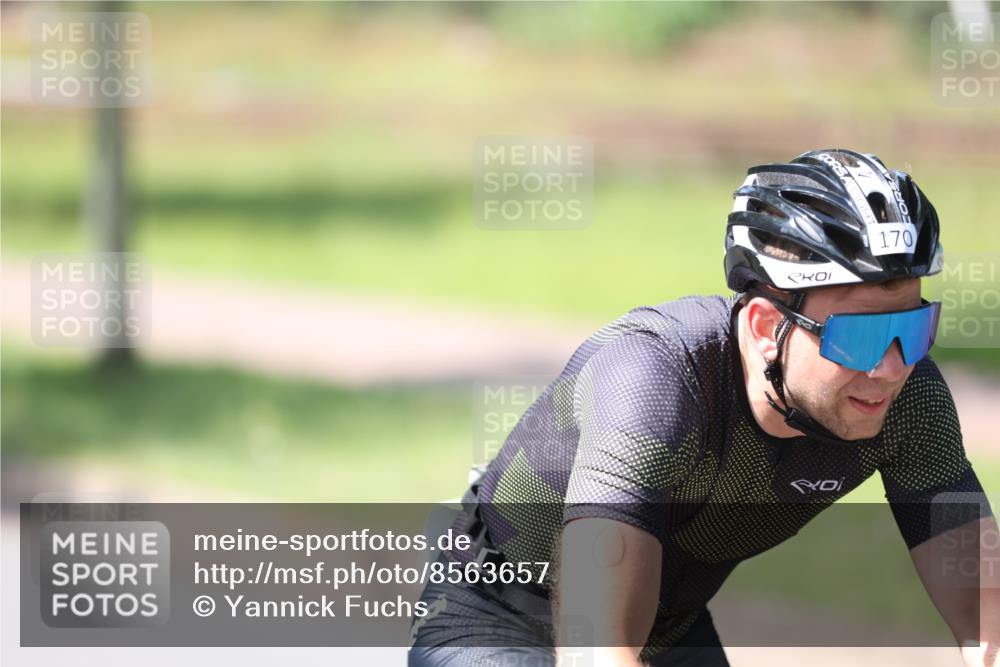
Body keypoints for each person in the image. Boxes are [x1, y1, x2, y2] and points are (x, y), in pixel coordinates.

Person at [407, 149, 998, 666]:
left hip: (668, 626)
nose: (891, 367)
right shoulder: (656, 383)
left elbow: (990, 623)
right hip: (498, 614)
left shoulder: (910, 401)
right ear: (768, 327)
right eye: (863, 338)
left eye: (914, 328)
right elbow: (597, 648)